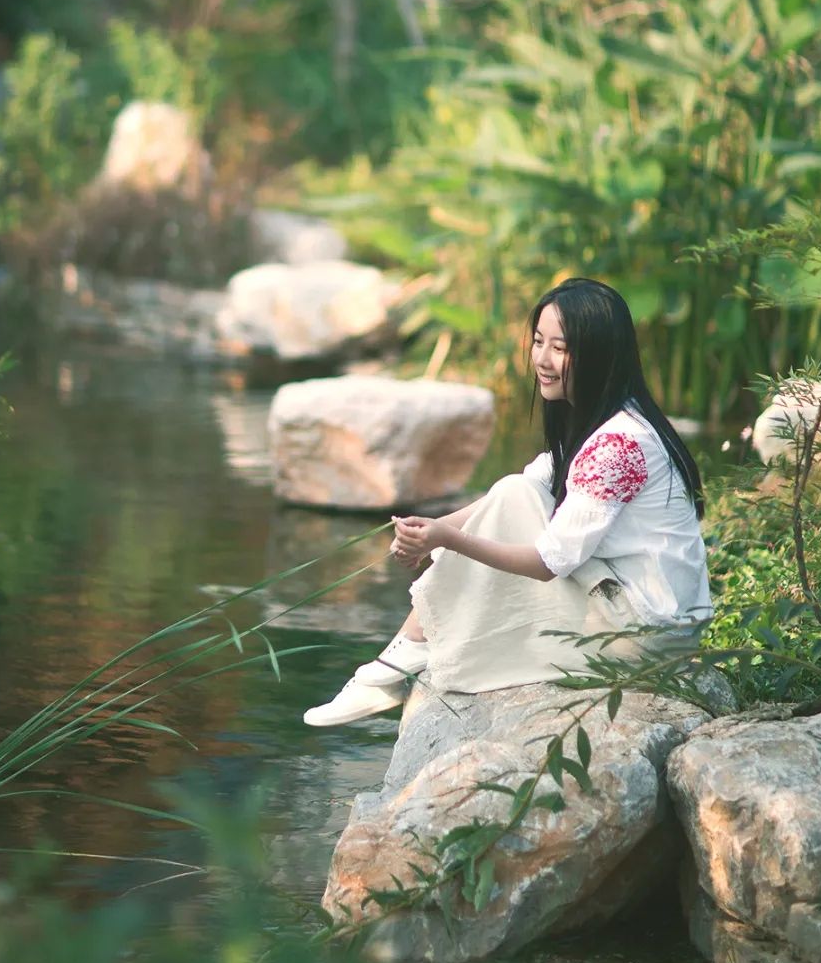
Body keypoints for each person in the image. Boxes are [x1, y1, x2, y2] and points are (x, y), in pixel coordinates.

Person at [303, 277, 713, 726]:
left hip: (645, 639)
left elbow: (546, 562)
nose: (541, 359)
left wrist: (448, 540)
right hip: (649, 622)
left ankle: (391, 666)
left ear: (598, 354)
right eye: (538, 342)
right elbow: (516, 490)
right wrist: (432, 529)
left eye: (561, 348)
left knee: (515, 500)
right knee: (515, 490)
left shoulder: (618, 444)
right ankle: (394, 663)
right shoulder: (612, 419)